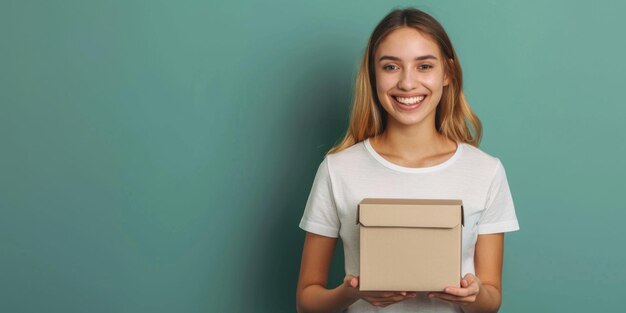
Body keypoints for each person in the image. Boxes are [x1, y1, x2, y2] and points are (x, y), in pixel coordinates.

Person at [295, 7, 520, 313]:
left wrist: (474, 295)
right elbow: (307, 301)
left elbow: (491, 299)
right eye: (391, 67)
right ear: (374, 74)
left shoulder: (485, 171)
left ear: (447, 74)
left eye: (424, 66)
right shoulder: (338, 170)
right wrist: (353, 294)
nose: (407, 83)